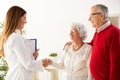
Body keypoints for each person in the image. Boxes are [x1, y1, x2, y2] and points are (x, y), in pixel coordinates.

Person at [65, 4, 120, 80]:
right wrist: (76, 42)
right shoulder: (98, 31)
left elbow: (116, 64)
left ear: (102, 16)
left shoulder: (114, 33)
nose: (89, 19)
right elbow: (92, 44)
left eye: (92, 15)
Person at [0, 6, 49, 80]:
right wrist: (42, 62)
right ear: (16, 19)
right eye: (24, 18)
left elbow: (19, 61)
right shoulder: (16, 38)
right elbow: (28, 64)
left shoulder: (10, 37)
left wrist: (33, 56)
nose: (26, 21)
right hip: (20, 77)